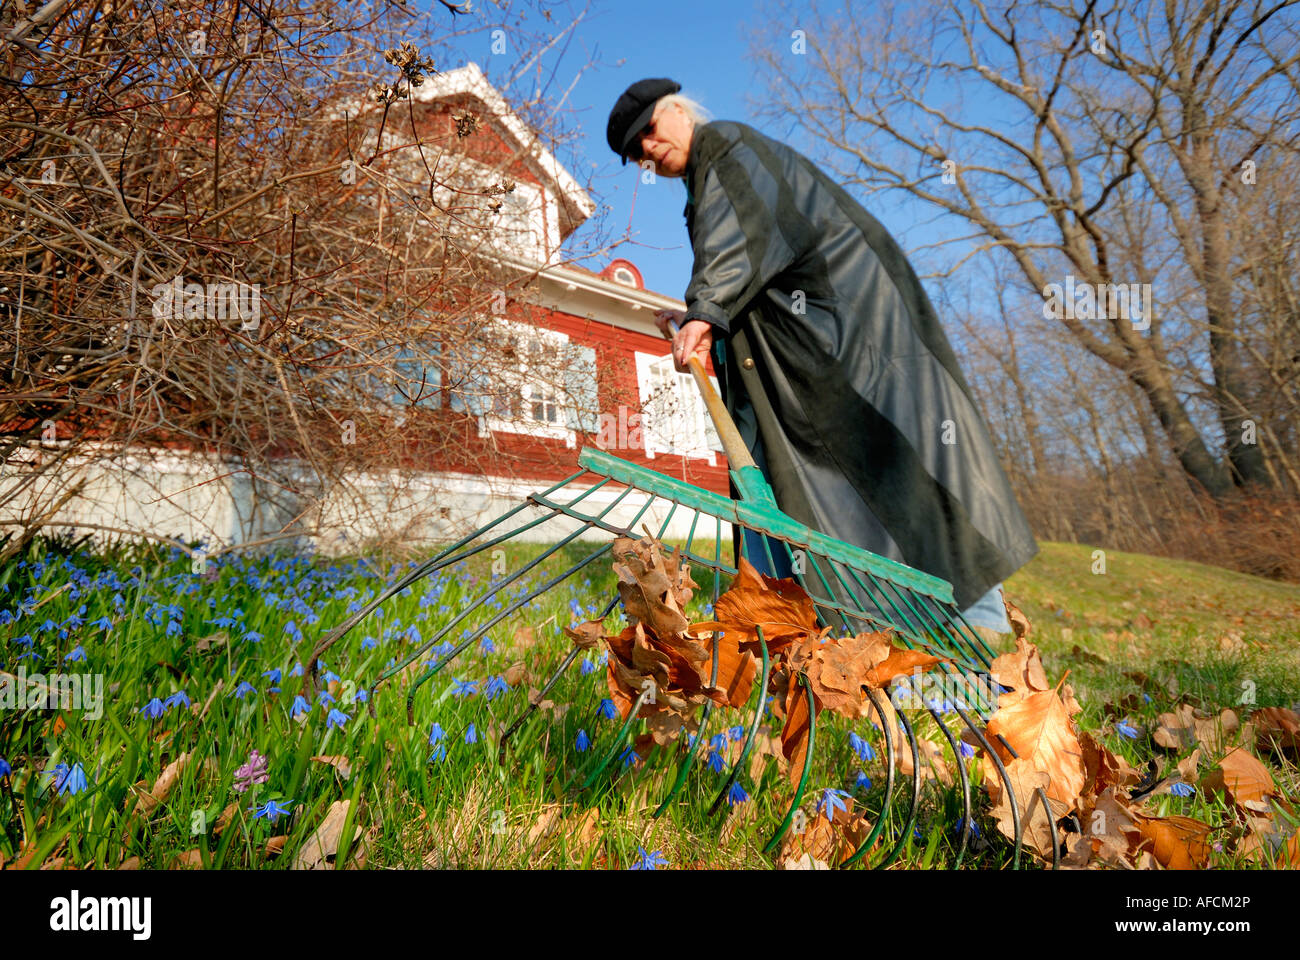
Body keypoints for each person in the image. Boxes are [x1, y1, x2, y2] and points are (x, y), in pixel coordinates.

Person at [605, 78, 1038, 642]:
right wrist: (697, 311)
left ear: (678, 111)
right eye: (635, 153)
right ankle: (802, 629)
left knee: (898, 471)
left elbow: (737, 236)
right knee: (794, 492)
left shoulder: (728, 149)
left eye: (649, 133)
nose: (648, 152)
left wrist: (706, 309)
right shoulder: (707, 183)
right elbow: (742, 249)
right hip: (796, 359)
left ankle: (963, 631)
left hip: (843, 342)